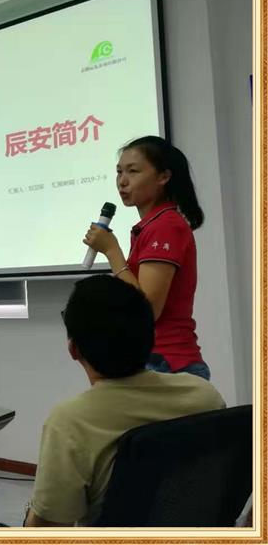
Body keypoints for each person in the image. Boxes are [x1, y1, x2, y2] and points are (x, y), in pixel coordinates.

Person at [24, 275, 225, 527]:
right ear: (152, 338)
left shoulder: (71, 421)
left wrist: (31, 512)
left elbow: (48, 529)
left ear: (74, 350)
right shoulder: (204, 395)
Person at [83, 135, 210, 379]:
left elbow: (148, 310)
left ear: (163, 177)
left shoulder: (165, 225)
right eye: (119, 172)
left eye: (133, 171)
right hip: (152, 357)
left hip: (168, 362)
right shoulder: (153, 224)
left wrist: (112, 251)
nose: (122, 181)